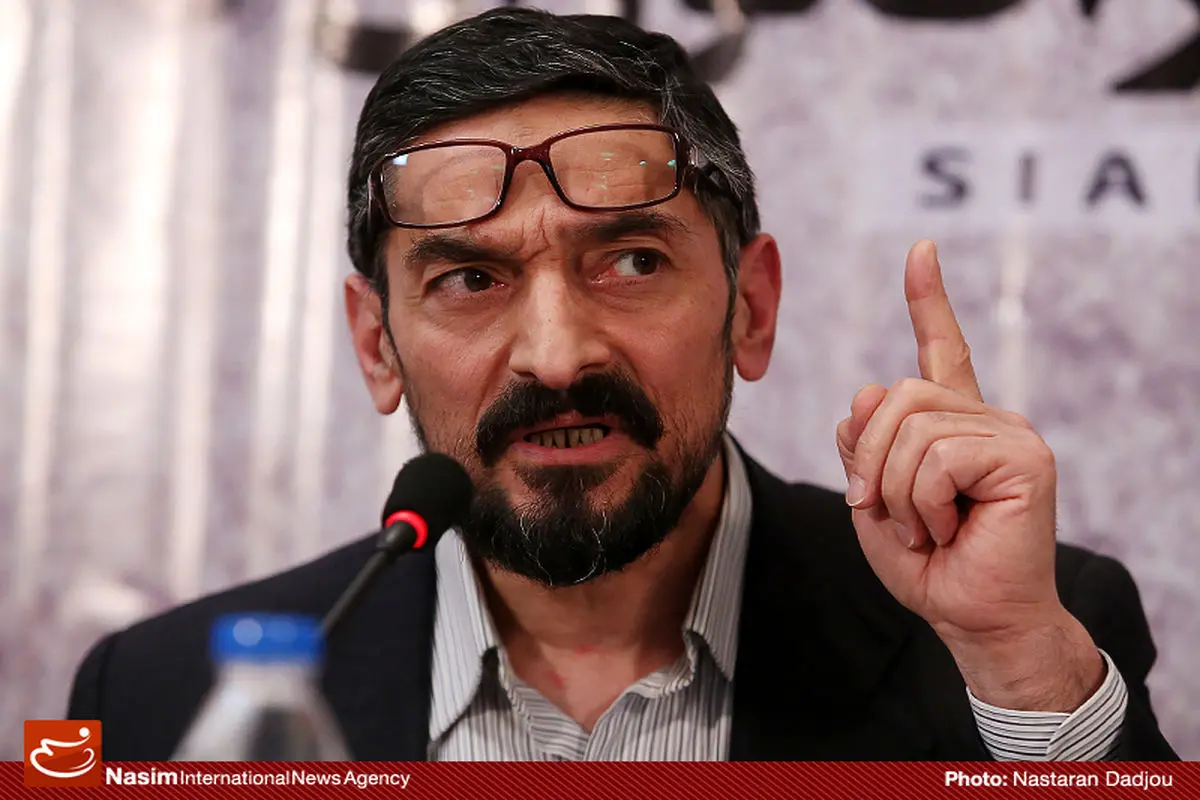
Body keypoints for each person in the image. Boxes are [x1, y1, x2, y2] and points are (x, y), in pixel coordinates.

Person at [68, 7, 1176, 761]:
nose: (557, 357)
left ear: (750, 306)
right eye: (470, 279)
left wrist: (1020, 668)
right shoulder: (158, 700)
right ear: (377, 346)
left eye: (633, 262)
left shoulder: (1017, 639)